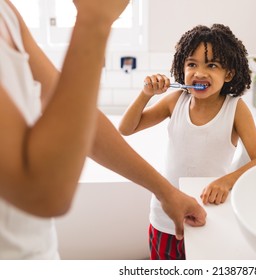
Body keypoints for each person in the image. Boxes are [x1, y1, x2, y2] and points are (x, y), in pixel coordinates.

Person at [0, 0, 206, 259]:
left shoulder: (6, 13)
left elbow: (86, 122)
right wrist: (94, 19)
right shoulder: (175, 102)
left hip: (39, 253)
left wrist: (166, 192)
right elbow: (46, 195)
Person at [119, 24, 256, 260]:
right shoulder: (175, 101)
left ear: (228, 74)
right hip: (164, 217)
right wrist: (145, 94)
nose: (199, 72)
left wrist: (226, 182)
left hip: (207, 215)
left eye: (211, 65)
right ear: (182, 67)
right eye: (192, 64)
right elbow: (126, 128)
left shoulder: (235, 110)